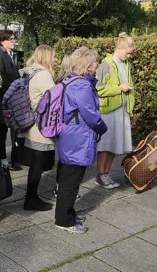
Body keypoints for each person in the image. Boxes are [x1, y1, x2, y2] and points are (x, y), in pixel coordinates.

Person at [53, 47, 107, 234]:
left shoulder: (71, 79)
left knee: (69, 178)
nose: (97, 64)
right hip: (78, 138)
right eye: (95, 61)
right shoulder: (82, 85)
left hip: (71, 135)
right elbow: (90, 114)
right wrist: (102, 127)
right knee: (71, 181)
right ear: (88, 64)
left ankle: (69, 212)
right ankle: (63, 220)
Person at [19, 45, 58, 211]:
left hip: (30, 123)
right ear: (47, 58)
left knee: (36, 163)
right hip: (41, 126)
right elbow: (55, 100)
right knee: (38, 164)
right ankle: (31, 199)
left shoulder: (29, 71)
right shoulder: (44, 75)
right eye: (54, 57)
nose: (56, 60)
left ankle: (31, 197)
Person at [95, 33, 135, 189]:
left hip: (122, 110)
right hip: (109, 111)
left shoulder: (125, 64)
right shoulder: (106, 65)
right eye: (128, 52)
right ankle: (100, 175)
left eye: (131, 53)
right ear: (119, 48)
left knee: (115, 144)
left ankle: (106, 173)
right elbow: (99, 89)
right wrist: (119, 88)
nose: (130, 56)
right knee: (105, 145)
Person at [0, 29, 22, 171]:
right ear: (2, 41)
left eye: (13, 39)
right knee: (2, 130)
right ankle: (2, 159)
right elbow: (0, 78)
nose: (14, 41)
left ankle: (8, 159)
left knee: (7, 130)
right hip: (4, 99)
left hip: (10, 98)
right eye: (11, 39)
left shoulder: (8, 54)